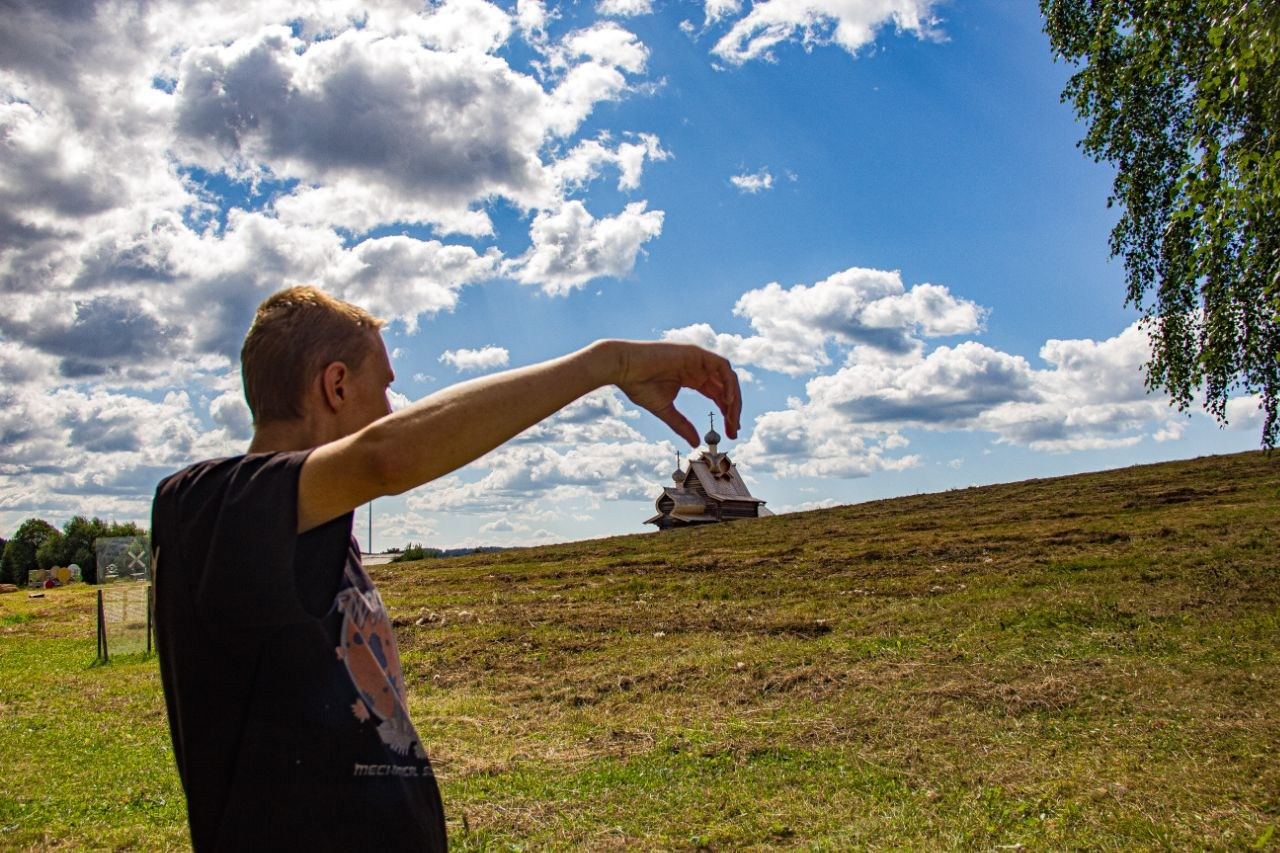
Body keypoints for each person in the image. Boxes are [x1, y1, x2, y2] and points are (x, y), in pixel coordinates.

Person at [151, 285, 741, 851]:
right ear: (335, 385)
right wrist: (607, 363)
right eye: (385, 390)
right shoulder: (206, 509)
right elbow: (386, 457)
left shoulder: (319, 537)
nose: (392, 411)